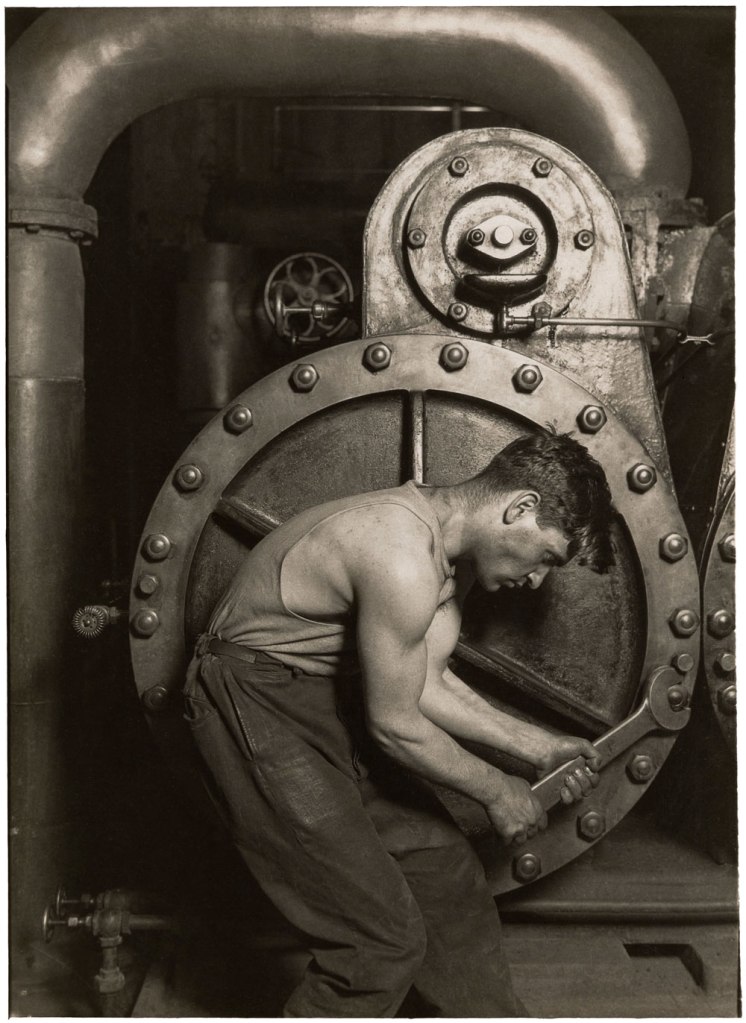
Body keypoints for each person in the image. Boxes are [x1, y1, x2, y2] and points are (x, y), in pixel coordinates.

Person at [184, 429, 615, 1017]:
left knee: (447, 879)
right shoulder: (399, 554)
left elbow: (427, 684)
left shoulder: (447, 560)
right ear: (520, 507)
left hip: (321, 700)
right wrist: (498, 790)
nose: (537, 581)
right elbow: (393, 723)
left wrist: (540, 747)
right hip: (253, 702)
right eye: (546, 558)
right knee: (378, 943)